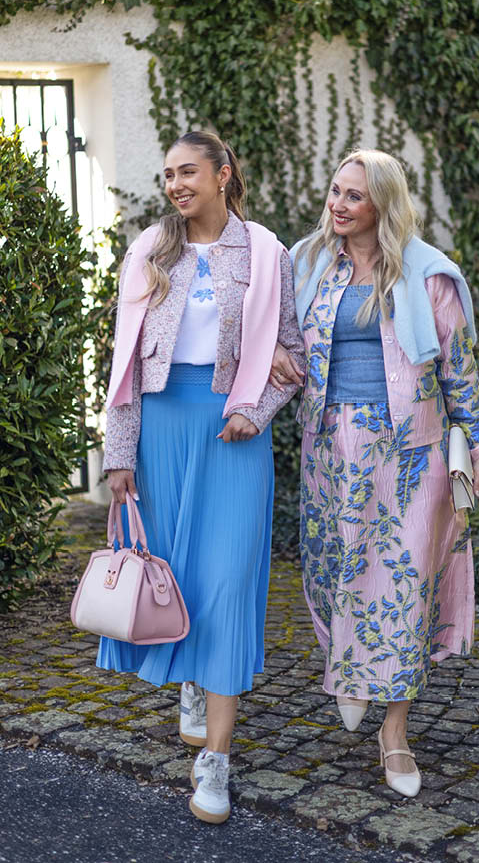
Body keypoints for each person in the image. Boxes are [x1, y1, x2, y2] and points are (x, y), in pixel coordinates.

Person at [270, 148, 479, 798]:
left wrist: (478, 444)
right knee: (336, 572)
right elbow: (279, 339)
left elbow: (458, 369)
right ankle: (351, 672)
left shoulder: (429, 276)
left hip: (411, 455)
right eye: (335, 191)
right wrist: (277, 359)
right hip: (329, 445)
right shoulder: (307, 263)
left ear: (383, 204)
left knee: (404, 591)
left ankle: (394, 732)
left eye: (354, 195)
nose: (338, 205)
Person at [99, 130, 304, 823]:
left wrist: (255, 410)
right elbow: (125, 363)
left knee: (226, 584)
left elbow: (294, 357)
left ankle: (215, 760)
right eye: (168, 175)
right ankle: (191, 678)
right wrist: (119, 456)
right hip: (161, 430)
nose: (176, 185)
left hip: (233, 436)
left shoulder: (269, 254)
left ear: (223, 174)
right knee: (178, 577)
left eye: (188, 171)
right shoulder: (149, 250)